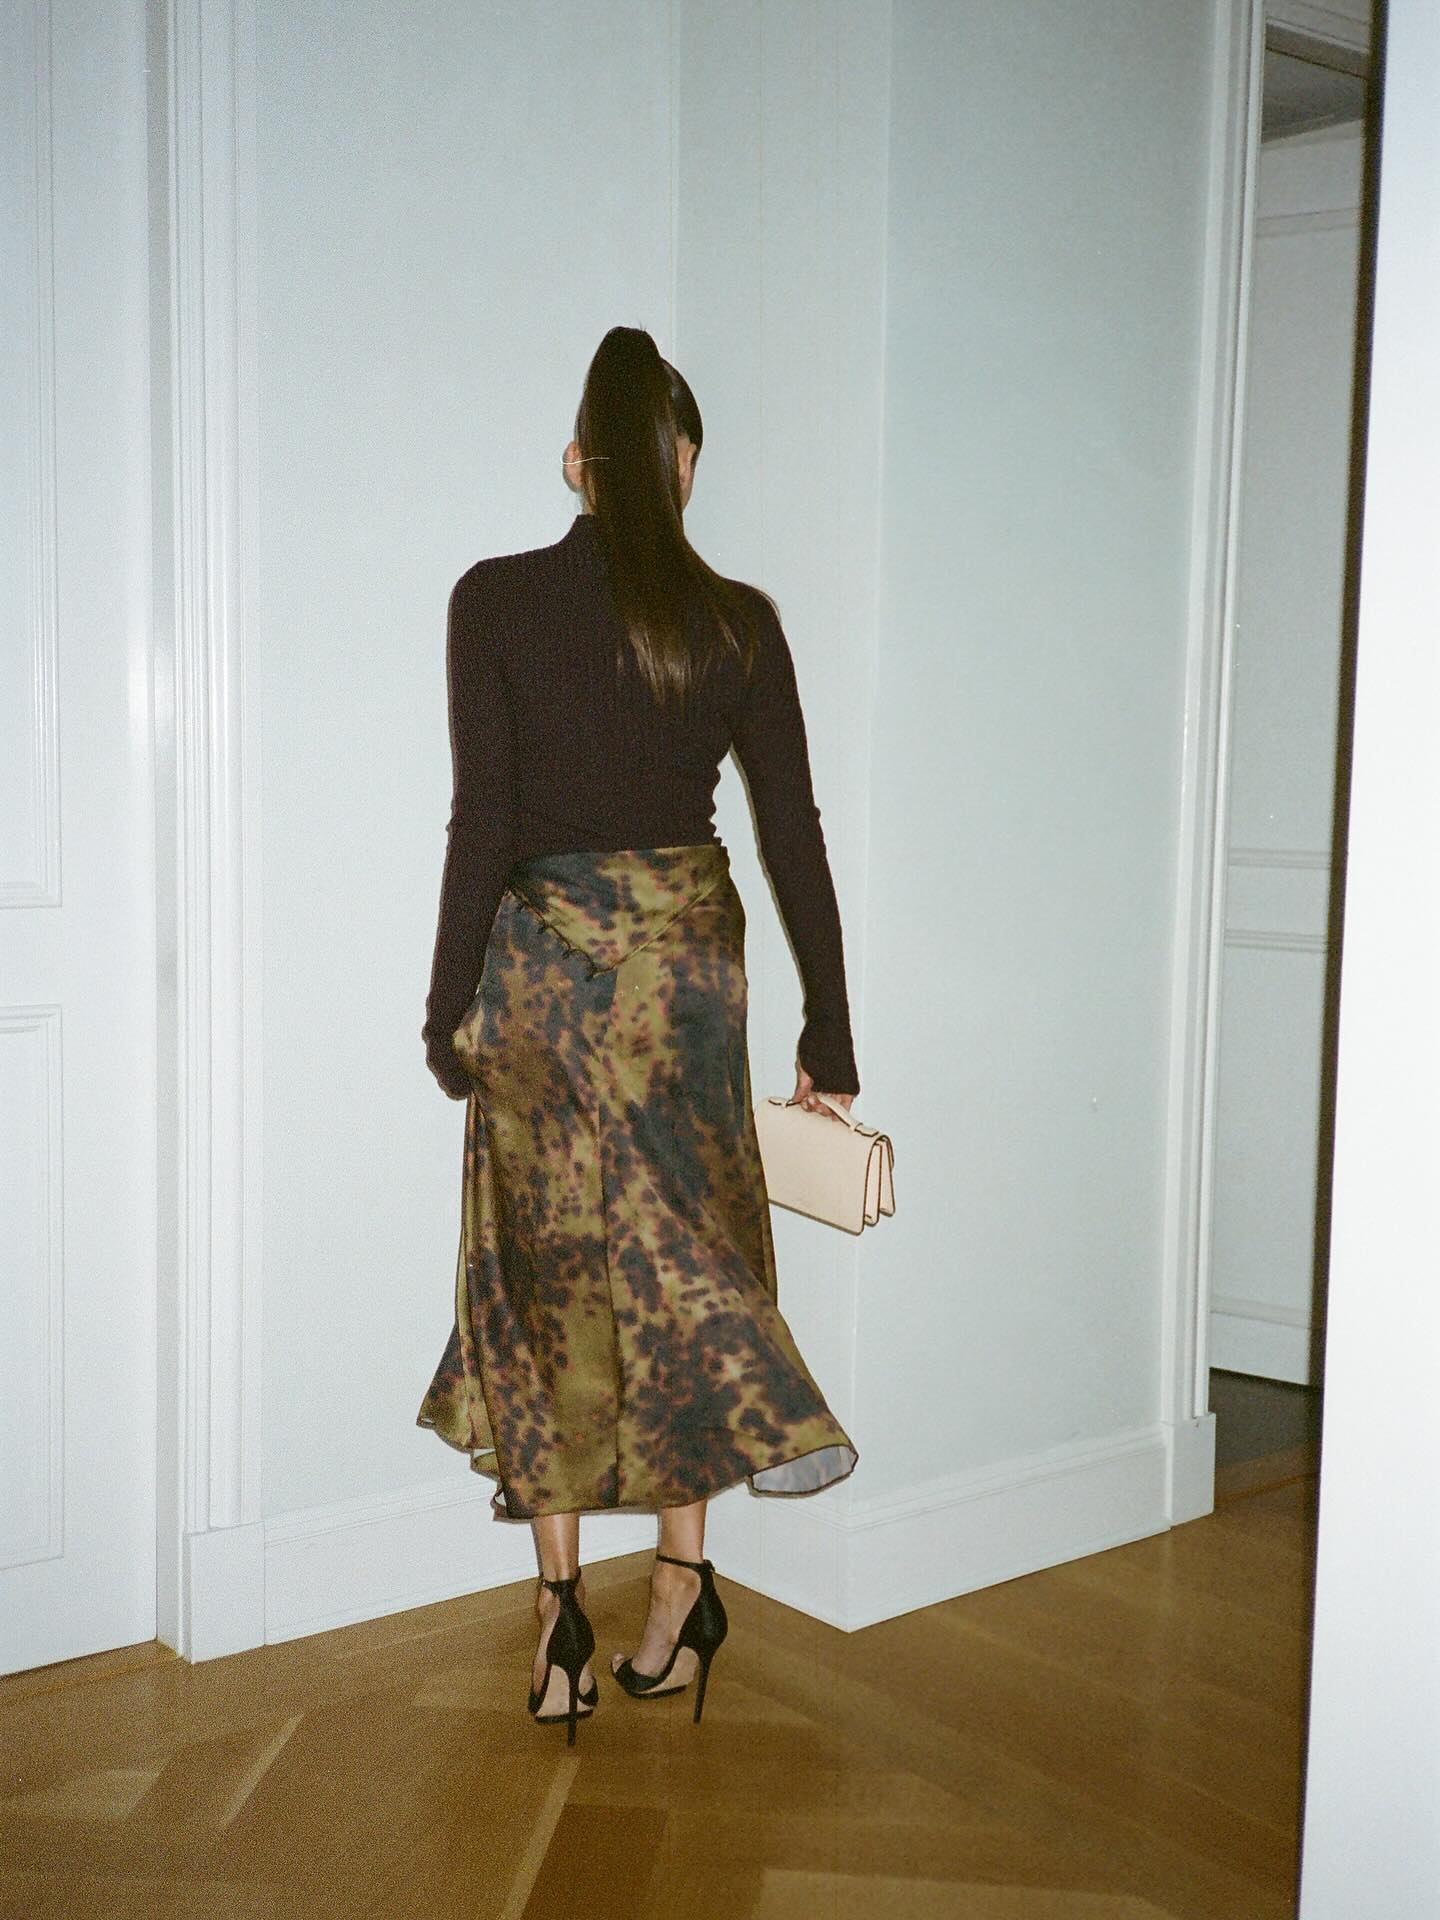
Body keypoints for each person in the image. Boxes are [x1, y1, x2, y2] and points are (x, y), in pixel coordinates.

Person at [414, 325, 860, 1743]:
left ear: (578, 463)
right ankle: (680, 1588)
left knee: (544, 1273)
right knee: (690, 1267)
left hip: (541, 981)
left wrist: (446, 1004)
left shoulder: (493, 600)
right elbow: (791, 830)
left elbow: (484, 817)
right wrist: (831, 1028)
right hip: (685, 988)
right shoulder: (736, 622)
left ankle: (562, 1623)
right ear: (683, 466)